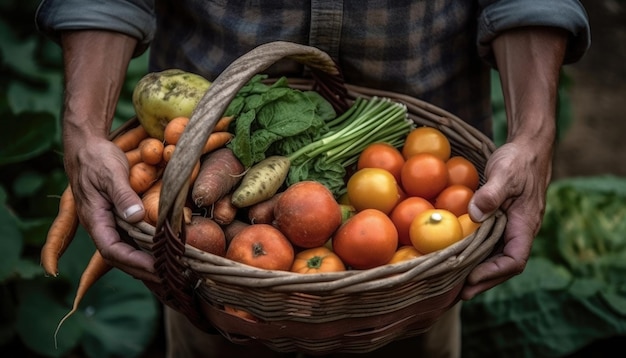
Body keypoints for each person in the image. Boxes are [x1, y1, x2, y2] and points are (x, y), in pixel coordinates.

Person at [35, 1, 590, 357]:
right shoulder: (207, 194)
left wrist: (535, 137)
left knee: (409, 337)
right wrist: (85, 129)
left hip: (415, 264)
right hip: (210, 247)